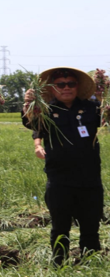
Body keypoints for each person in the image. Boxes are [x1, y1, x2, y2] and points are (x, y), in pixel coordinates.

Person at [22, 67, 101, 266]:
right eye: (60, 85)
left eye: (71, 84)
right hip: (59, 179)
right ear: (53, 88)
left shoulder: (91, 108)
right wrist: (28, 103)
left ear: (77, 86)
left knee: (90, 226)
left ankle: (90, 266)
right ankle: (59, 265)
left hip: (90, 179)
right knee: (60, 227)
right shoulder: (46, 110)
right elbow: (31, 122)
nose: (66, 88)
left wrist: (104, 96)